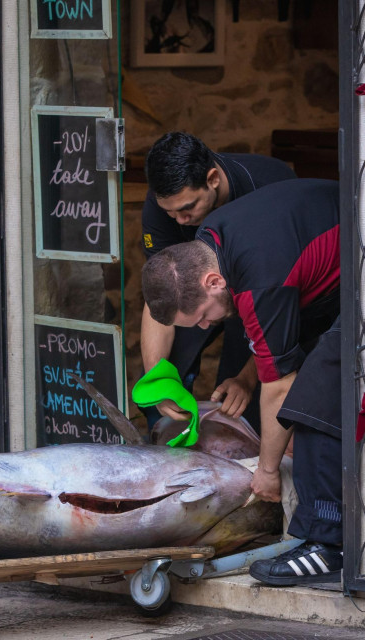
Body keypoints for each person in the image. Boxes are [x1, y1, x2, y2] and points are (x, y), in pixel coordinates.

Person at [142, 178, 343, 586]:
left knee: (313, 394)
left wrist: (267, 471)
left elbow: (282, 385)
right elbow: (276, 334)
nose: (204, 326)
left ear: (212, 284)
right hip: (337, 273)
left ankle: (328, 544)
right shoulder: (210, 241)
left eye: (200, 316)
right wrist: (248, 378)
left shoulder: (257, 279)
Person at [141, 132, 296, 431]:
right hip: (196, 292)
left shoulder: (268, 186)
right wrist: (158, 380)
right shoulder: (167, 205)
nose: (179, 221)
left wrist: (245, 379)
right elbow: (161, 296)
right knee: (165, 379)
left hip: (264, 292)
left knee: (240, 394)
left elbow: (285, 311)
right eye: (169, 213)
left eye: (187, 210)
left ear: (212, 179)